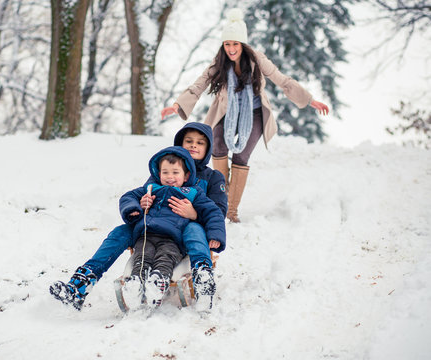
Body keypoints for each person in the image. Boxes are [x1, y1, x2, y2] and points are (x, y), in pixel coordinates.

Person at [161, 8, 330, 223]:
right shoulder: (220, 62)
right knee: (218, 145)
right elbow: (199, 84)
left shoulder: (257, 60)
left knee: (241, 156)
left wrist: (309, 99)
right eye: (227, 44)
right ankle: (220, 198)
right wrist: (177, 105)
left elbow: (283, 80)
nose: (231, 49)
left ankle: (231, 211)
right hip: (226, 112)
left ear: (243, 44)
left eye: (235, 44)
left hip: (255, 113)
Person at [49, 122, 227, 311]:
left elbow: (217, 211)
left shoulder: (212, 178)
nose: (193, 145)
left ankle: (202, 276)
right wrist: (140, 206)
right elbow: (138, 195)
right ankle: (79, 285)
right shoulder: (160, 175)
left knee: (194, 229)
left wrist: (193, 214)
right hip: (150, 228)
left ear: (207, 149)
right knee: (119, 232)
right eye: (188, 141)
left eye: (200, 143)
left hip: (186, 229)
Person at [118, 146, 226, 309]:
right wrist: (138, 207)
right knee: (142, 257)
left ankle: (159, 281)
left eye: (175, 173)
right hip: (147, 235)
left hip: (173, 238)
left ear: (186, 175)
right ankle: (136, 285)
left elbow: (213, 212)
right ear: (158, 173)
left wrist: (215, 234)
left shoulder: (191, 193)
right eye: (165, 172)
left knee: (166, 257)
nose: (170, 177)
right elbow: (129, 197)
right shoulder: (152, 189)